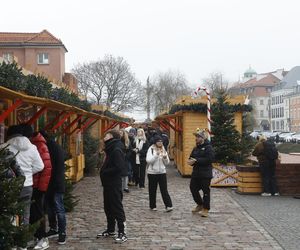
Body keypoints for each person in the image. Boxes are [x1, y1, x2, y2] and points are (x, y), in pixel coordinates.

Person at [1, 125, 44, 226]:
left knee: (10, 212)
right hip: (27, 184)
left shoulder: (3, 148)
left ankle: (12, 237)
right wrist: (27, 173)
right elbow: (40, 166)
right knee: (25, 213)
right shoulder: (32, 147)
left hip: (9, 186)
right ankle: (24, 237)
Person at [21, 124, 52, 250]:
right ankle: (35, 237)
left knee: (38, 212)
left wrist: (41, 188)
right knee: (33, 213)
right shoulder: (35, 144)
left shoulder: (38, 145)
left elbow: (45, 168)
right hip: (34, 184)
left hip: (38, 186)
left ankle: (42, 238)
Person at [98, 130, 127, 243]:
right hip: (107, 183)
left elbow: (120, 168)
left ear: (111, 136)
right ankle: (111, 230)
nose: (104, 137)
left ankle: (122, 232)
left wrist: (105, 172)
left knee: (116, 208)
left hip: (114, 183)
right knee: (108, 207)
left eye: (106, 135)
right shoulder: (110, 148)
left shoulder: (116, 149)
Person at [40, 131, 67, 245]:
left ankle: (62, 233)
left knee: (58, 208)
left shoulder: (50, 147)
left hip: (54, 184)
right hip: (53, 183)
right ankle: (55, 229)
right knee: (52, 208)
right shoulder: (53, 145)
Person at [188, 129, 215, 217]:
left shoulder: (208, 147)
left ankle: (206, 209)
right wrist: (190, 161)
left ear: (203, 138)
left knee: (205, 191)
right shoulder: (195, 148)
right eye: (196, 136)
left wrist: (197, 160)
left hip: (205, 174)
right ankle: (200, 204)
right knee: (193, 189)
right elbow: (191, 157)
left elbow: (209, 159)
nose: (196, 138)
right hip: (196, 173)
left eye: (198, 137)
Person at [146, 135, 173, 212]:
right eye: (158, 141)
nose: (160, 143)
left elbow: (167, 163)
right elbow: (148, 161)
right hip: (152, 173)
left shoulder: (163, 149)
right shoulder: (151, 149)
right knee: (152, 190)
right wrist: (156, 155)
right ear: (155, 142)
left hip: (162, 172)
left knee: (164, 190)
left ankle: (168, 205)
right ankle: (152, 206)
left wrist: (165, 158)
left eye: (161, 141)